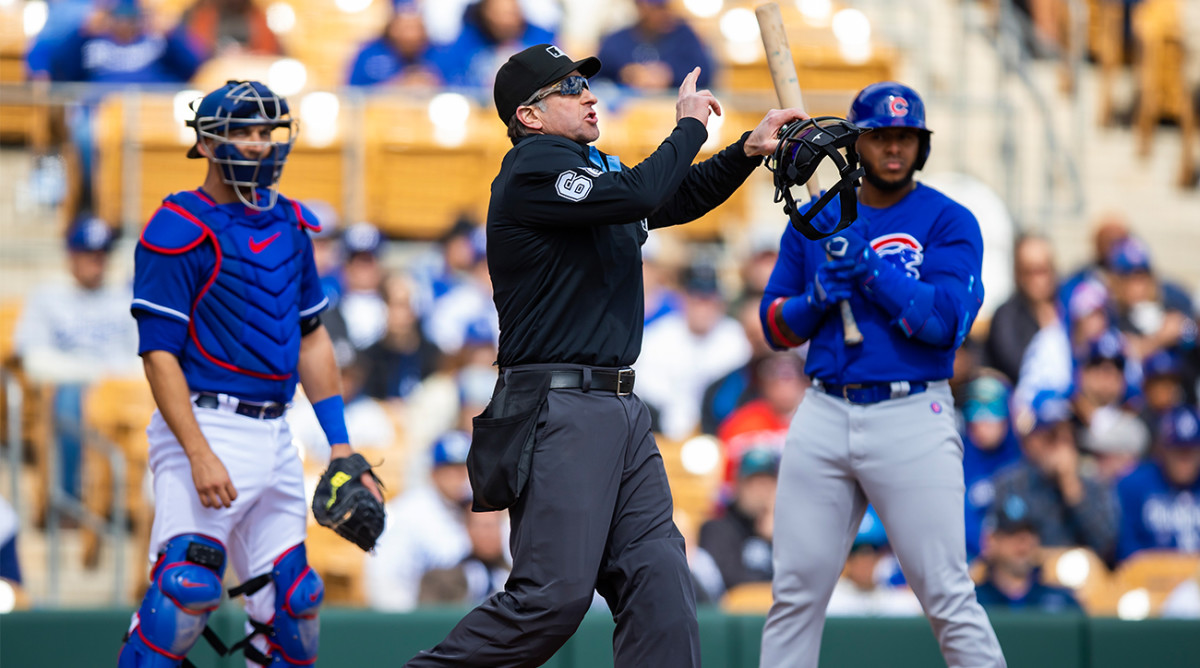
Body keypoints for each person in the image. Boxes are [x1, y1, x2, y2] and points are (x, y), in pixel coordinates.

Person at [404, 43, 802, 668]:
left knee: (661, 588)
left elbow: (671, 197)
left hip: (618, 404)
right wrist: (691, 125)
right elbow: (644, 194)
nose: (589, 95)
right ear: (529, 117)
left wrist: (747, 150)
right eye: (568, 89)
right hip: (558, 405)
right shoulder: (533, 170)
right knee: (551, 600)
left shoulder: (590, 173)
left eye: (584, 84)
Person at [118, 80, 381, 667]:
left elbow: (311, 337)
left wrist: (341, 446)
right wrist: (196, 452)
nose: (259, 144)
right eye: (242, 131)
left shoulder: (291, 222)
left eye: (267, 131)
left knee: (296, 603)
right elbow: (158, 354)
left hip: (276, 433)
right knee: (184, 590)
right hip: (207, 424)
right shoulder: (177, 225)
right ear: (208, 144)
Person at [757, 81, 1005, 667]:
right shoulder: (816, 216)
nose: (894, 147)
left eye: (906, 137)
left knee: (946, 592)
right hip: (824, 408)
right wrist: (817, 298)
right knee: (794, 594)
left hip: (912, 410)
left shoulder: (950, 220)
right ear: (856, 142)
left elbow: (945, 323)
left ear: (921, 146)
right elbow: (774, 325)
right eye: (880, 136)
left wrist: (868, 267)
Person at [15, 215, 140, 505]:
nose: (95, 262)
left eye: (101, 255)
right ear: (71, 256)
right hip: (69, 388)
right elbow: (33, 360)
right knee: (70, 401)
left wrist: (111, 382)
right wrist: (95, 374)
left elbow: (141, 358)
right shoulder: (47, 296)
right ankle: (68, 502)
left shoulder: (124, 298)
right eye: (87, 255)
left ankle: (124, 504)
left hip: (119, 390)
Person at [991, 389, 1118, 560]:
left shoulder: (1093, 484)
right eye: (1051, 435)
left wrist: (1072, 489)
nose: (1061, 444)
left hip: (1079, 581)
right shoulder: (1009, 484)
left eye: (1068, 435)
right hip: (1026, 580)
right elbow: (993, 546)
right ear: (1030, 440)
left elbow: (1105, 546)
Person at [637, 262, 752, 439]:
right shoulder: (657, 337)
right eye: (696, 297)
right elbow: (651, 397)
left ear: (720, 301)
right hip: (666, 435)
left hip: (722, 432)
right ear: (683, 298)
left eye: (709, 298)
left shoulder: (737, 339)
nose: (703, 306)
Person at [366, 432, 474, 612]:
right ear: (434, 473)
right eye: (451, 470)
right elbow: (384, 581)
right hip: (420, 618)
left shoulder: (482, 509)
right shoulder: (408, 512)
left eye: (464, 469)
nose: (460, 477)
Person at [1115, 404, 1200, 562]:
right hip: (1149, 582)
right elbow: (1126, 549)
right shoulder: (1133, 485)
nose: (1184, 460)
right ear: (1163, 450)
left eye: (1191, 451)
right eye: (1178, 451)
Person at [974, 496, 1084, 613]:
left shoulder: (1063, 601)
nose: (1024, 542)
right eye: (1012, 533)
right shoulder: (973, 601)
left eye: (1031, 533)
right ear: (992, 540)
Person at [961, 374, 1023, 560]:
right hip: (968, 561)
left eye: (994, 409)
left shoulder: (1022, 461)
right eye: (974, 409)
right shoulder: (956, 462)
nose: (983, 421)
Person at [698, 448, 778, 591]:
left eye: (767, 483)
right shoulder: (717, 529)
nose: (761, 492)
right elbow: (731, 582)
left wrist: (778, 540)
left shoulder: (783, 532)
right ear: (738, 485)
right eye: (753, 483)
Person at [983, 234, 1059, 384]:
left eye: (1042, 270)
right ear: (1017, 274)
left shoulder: (1067, 308)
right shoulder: (1006, 316)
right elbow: (1015, 365)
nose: (1036, 279)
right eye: (1028, 271)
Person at [595, 0, 714, 92]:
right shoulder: (616, 40)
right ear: (640, 7)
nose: (662, 13)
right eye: (656, 8)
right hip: (627, 113)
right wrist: (625, 74)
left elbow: (706, 75)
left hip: (672, 110)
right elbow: (595, 79)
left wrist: (669, 75)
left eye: (665, 7)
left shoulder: (685, 37)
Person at [825, 507, 922, 617]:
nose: (866, 559)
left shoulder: (902, 603)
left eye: (874, 549)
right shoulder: (827, 604)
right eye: (856, 550)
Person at [348, 0, 450, 88]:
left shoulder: (439, 53)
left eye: (416, 27)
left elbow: (457, 89)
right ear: (392, 26)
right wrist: (398, 86)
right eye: (405, 27)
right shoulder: (369, 53)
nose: (411, 35)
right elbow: (351, 94)